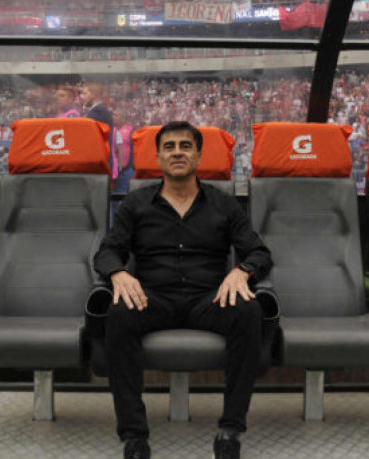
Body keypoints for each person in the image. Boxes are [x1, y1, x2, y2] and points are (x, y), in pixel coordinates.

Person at [93, 121, 272, 459]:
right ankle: (134, 436)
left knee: (248, 310)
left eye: (185, 146)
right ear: (159, 157)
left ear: (199, 156)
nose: (177, 152)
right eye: (169, 147)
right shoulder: (136, 204)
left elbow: (260, 252)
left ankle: (230, 430)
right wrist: (118, 273)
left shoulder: (223, 204)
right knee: (118, 314)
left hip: (209, 297)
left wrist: (241, 270)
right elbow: (106, 251)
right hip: (153, 297)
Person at [113, 109, 135, 193]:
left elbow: (135, 150)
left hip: (127, 169)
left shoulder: (131, 131)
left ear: (123, 118)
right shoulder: (112, 130)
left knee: (123, 194)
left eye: (116, 115)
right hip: (115, 170)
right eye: (113, 115)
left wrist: (132, 166)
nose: (113, 117)